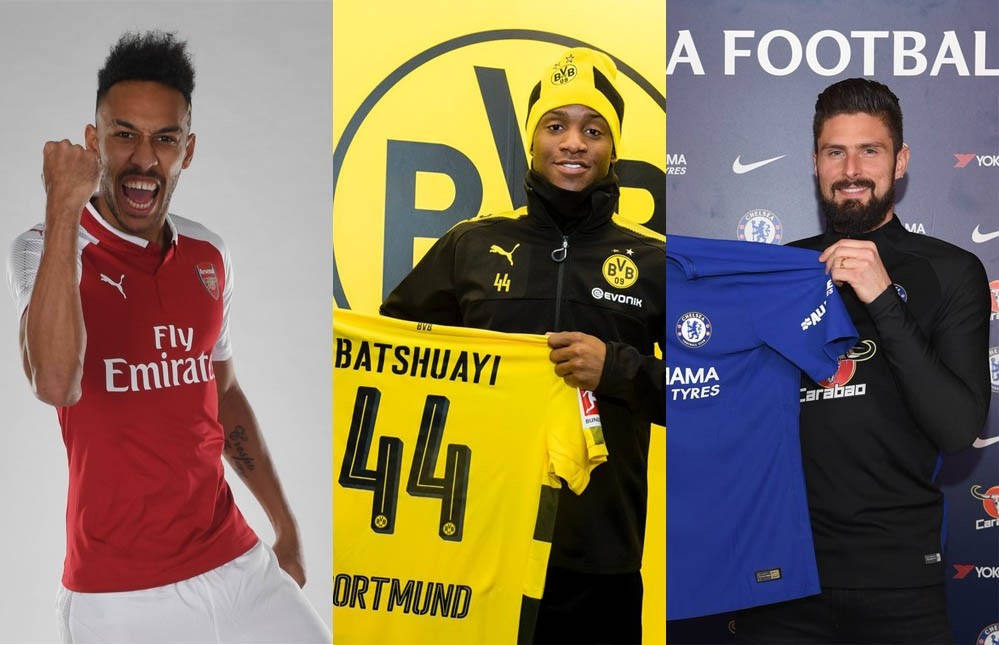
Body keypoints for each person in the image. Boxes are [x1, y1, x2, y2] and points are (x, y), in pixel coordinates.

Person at [7, 31, 330, 643]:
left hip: (235, 562)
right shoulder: (48, 246)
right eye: (124, 134)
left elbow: (223, 391)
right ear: (93, 141)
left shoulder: (209, 252)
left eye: (166, 139)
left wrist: (284, 525)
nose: (144, 159)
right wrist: (62, 210)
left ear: (189, 149)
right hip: (118, 597)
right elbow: (54, 382)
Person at [380, 47, 665, 644]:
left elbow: (706, 394)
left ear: (613, 148)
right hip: (477, 545)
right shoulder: (471, 245)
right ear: (532, 141)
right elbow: (392, 365)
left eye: (593, 130)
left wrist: (615, 368)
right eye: (555, 126)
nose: (573, 143)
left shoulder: (654, 260)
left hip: (601, 557)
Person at [735, 78, 991, 643]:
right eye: (835, 151)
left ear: (899, 162)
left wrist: (882, 298)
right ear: (816, 164)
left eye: (870, 150)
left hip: (900, 584)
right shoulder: (773, 275)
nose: (851, 168)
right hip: (782, 581)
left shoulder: (949, 272)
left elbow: (957, 429)